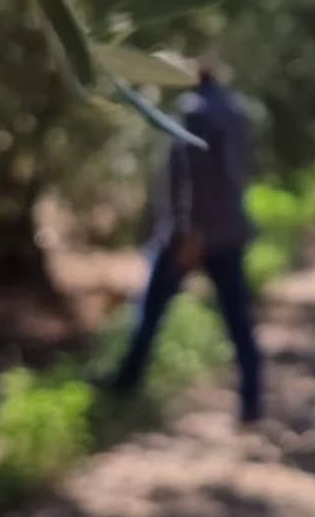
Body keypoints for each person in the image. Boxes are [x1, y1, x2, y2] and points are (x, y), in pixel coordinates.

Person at [106, 55, 263, 425]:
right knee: (238, 320)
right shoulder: (236, 110)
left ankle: (124, 385)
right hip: (229, 231)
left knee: (151, 311)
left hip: (189, 236)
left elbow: (186, 179)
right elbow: (238, 172)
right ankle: (252, 401)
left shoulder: (192, 112)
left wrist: (188, 230)